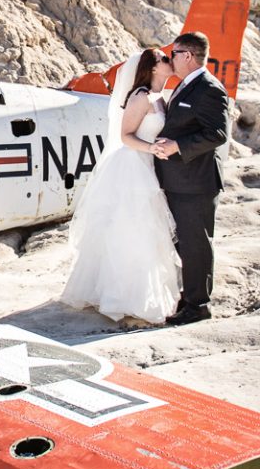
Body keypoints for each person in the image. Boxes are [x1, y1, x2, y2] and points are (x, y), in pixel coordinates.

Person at [61, 48, 181, 324]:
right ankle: (123, 297)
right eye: (164, 59)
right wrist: (151, 147)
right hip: (132, 167)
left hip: (148, 166)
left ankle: (142, 292)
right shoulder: (140, 97)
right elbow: (125, 136)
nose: (169, 60)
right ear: (152, 68)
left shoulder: (159, 97)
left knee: (147, 232)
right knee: (131, 230)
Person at [151, 31, 229, 325]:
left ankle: (199, 305)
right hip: (178, 181)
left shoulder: (209, 89)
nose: (171, 58)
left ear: (187, 56)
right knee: (184, 243)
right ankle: (189, 296)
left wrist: (177, 147)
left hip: (196, 183)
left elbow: (217, 134)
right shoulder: (186, 86)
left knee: (196, 244)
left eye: (174, 53)